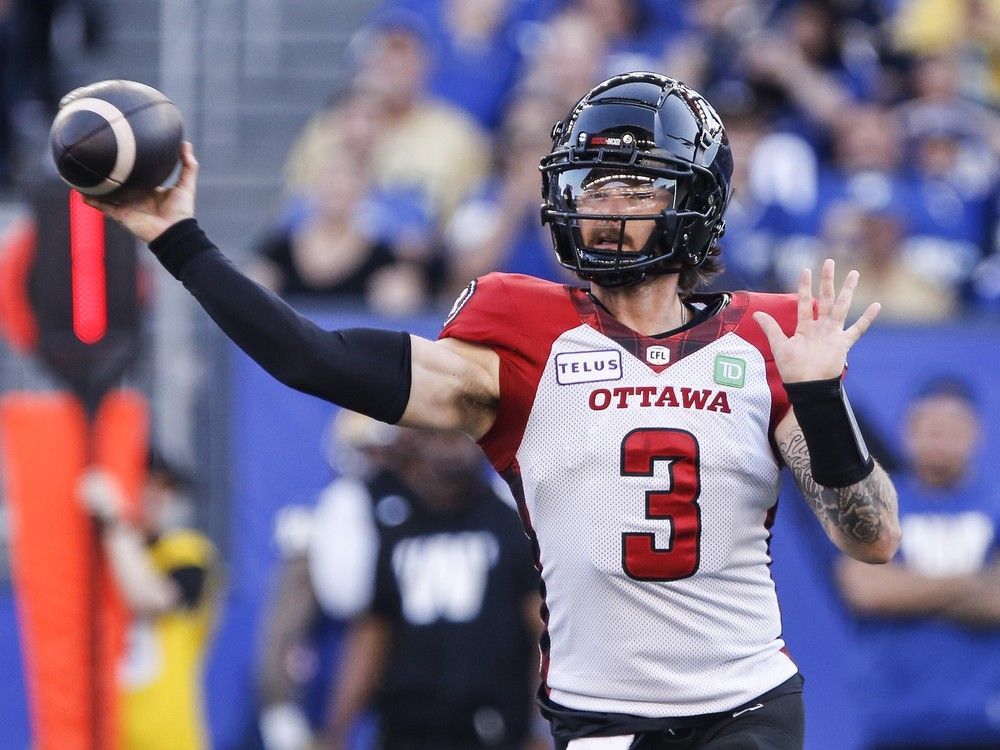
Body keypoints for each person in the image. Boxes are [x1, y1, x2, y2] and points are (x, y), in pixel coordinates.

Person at [87, 71, 900, 749]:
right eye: (591, 185)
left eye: (633, 186)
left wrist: (822, 400)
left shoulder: (771, 336)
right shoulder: (524, 333)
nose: (604, 208)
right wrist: (180, 239)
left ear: (696, 201)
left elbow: (872, 538)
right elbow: (313, 357)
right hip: (599, 713)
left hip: (745, 706)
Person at [319, 427, 544, 750]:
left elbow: (543, 631)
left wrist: (541, 727)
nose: (451, 448)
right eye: (440, 436)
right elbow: (373, 631)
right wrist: (336, 731)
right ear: (414, 441)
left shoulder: (509, 522)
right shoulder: (392, 520)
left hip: (492, 729)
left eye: (460, 436)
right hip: (405, 730)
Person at [836, 378, 1000, 750]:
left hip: (985, 718)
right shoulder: (876, 505)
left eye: (951, 428)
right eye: (928, 427)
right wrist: (975, 582)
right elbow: (866, 590)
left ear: (976, 434)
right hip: (896, 718)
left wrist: (907, 587)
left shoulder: (995, 502)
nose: (939, 438)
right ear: (907, 432)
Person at [78, 453, 219, 750]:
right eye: (147, 484)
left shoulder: (188, 552)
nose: (156, 497)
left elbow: (148, 596)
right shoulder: (94, 561)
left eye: (164, 487)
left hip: (169, 739)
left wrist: (114, 521)